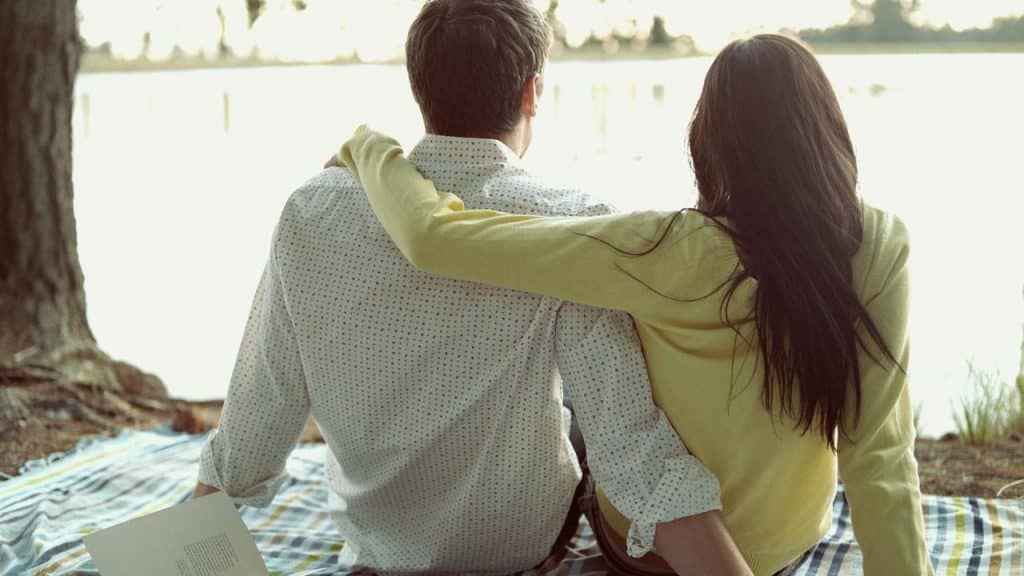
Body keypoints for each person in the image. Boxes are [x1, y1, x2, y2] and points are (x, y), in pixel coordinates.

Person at [333, 34, 936, 576]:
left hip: (650, 555)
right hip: (788, 545)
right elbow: (879, 457)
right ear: (828, 134)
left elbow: (434, 239)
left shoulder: (664, 250)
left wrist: (368, 147)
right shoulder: (879, 245)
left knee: (582, 377)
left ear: (711, 141)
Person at [193, 1, 751, 574]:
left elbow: (257, 417)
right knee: (592, 401)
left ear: (420, 89)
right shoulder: (571, 223)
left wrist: (182, 552)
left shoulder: (312, 210)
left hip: (381, 548)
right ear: (531, 92)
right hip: (516, 547)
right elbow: (634, 449)